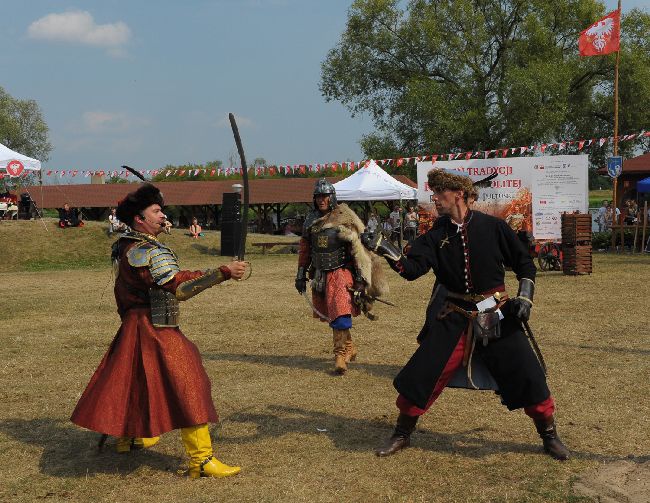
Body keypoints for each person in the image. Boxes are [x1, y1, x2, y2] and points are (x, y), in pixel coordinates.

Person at [361, 169, 570, 461]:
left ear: (458, 194)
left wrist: (525, 296)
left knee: (527, 373)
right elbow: (411, 270)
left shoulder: (493, 227)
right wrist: (386, 249)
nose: (434, 198)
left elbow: (525, 264)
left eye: (439, 193)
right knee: (422, 373)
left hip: (495, 312)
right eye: (433, 193)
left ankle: (549, 436)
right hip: (454, 315)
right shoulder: (435, 235)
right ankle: (401, 434)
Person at [71, 183, 246, 479]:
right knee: (189, 381)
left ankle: (130, 438)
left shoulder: (126, 245)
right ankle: (201, 460)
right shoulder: (146, 250)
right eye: (156, 211)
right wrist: (223, 273)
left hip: (136, 326)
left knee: (135, 381)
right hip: (154, 327)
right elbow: (180, 287)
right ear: (140, 219)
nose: (163, 215)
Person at [295, 179, 387, 374]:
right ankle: (350, 347)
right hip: (320, 274)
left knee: (340, 310)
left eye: (325, 196)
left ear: (332, 197)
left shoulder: (344, 217)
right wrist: (301, 273)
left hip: (341, 272)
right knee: (334, 313)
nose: (321, 200)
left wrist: (361, 279)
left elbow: (357, 250)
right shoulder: (310, 220)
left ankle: (339, 355)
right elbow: (305, 249)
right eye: (318, 196)